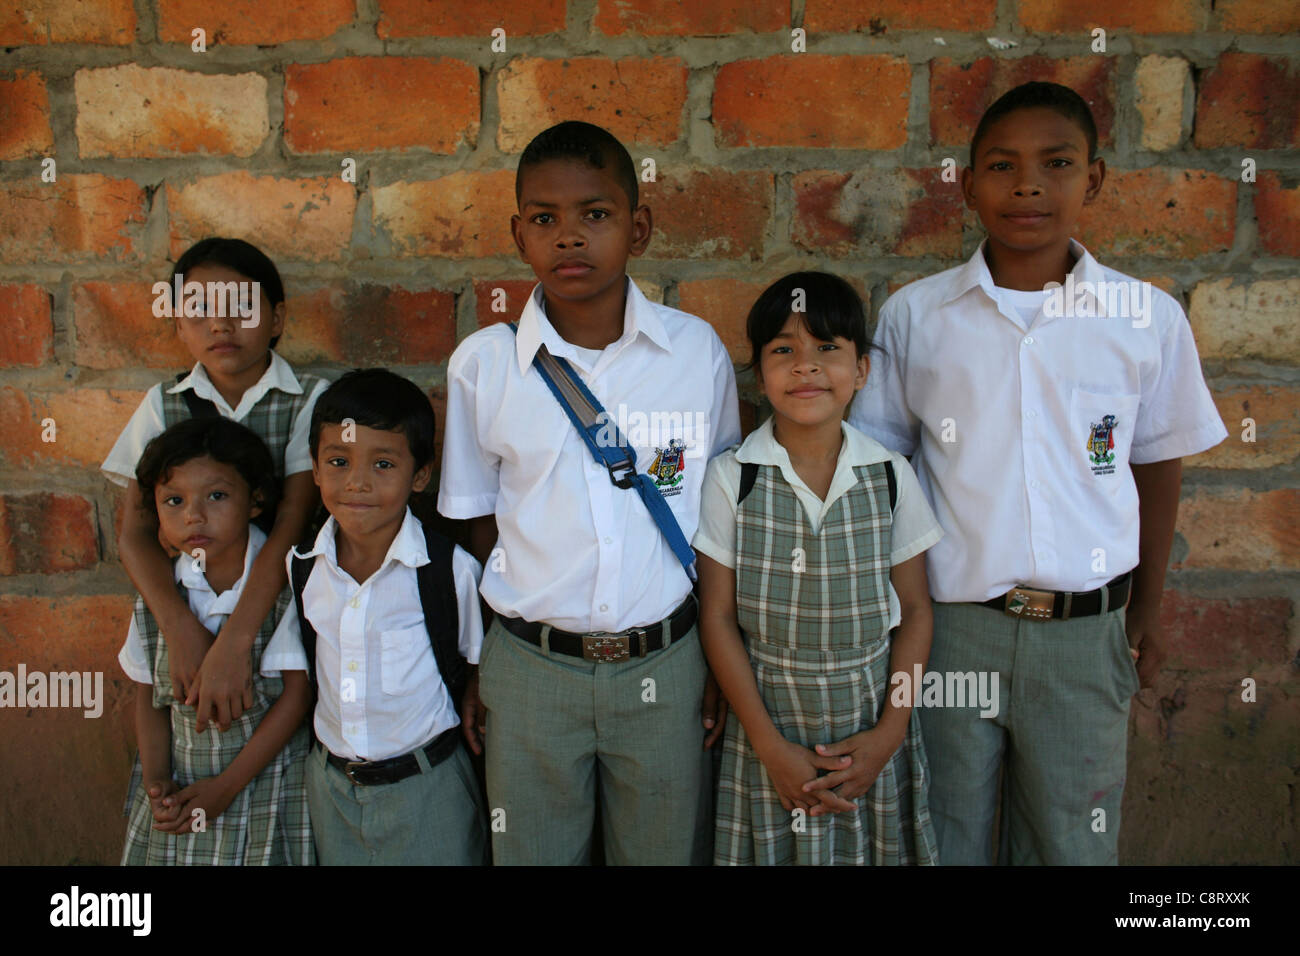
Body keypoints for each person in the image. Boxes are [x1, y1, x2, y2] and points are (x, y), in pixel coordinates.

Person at [849, 81, 1228, 865]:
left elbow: (1157, 466)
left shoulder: (1144, 319)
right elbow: (880, 474)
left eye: (1056, 163)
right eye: (1002, 165)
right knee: (941, 834)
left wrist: (1147, 610)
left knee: (1072, 841)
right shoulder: (915, 317)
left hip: (1086, 636)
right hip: (951, 632)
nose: (1028, 185)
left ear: (1093, 179)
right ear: (966, 184)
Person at [439, 120, 741, 865]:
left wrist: (714, 656)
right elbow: (477, 525)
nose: (569, 237)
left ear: (638, 227)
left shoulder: (694, 352)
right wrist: (485, 664)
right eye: (545, 219)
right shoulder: (485, 366)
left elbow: (719, 517)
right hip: (533, 668)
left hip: (666, 663)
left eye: (595, 216)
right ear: (519, 235)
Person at [694, 272, 942, 865]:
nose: (806, 367)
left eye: (827, 348)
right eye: (784, 350)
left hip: (869, 720)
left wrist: (888, 735)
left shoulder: (887, 476)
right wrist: (767, 743)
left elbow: (915, 613)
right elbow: (719, 616)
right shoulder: (735, 477)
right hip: (768, 722)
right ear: (758, 372)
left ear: (861, 371)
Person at [103, 238, 329, 735]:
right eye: (199, 309)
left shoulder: (309, 401)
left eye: (242, 307)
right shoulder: (163, 404)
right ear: (179, 324)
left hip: (281, 610)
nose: (221, 324)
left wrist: (235, 641)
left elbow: (291, 526)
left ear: (278, 319)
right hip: (191, 603)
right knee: (191, 734)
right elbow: (135, 534)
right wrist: (181, 629)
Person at [271, 369, 489, 865]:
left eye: (383, 463)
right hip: (333, 792)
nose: (357, 482)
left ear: (421, 475)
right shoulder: (303, 566)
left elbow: (478, 665)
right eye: (339, 461)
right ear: (316, 468)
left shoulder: (447, 570)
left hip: (429, 788)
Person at [119, 418, 313, 865]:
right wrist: (158, 782)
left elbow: (296, 698)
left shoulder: (283, 587)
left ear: (255, 500)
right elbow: (149, 699)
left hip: (266, 786)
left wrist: (225, 789)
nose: (193, 515)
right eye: (174, 500)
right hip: (183, 790)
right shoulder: (159, 595)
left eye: (217, 496)